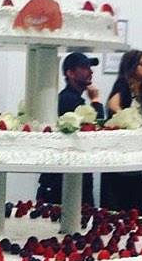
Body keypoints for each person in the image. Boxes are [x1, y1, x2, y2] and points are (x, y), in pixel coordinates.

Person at [37, 52, 104, 206]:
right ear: (70, 73)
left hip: (67, 175)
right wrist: (95, 101)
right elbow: (96, 127)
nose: (90, 71)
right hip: (64, 178)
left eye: (90, 67)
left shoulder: (69, 98)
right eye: (84, 67)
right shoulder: (69, 100)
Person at [102, 50, 142, 212]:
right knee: (117, 206)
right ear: (131, 66)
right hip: (119, 154)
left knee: (135, 205)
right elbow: (113, 105)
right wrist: (128, 120)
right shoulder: (123, 84)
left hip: (136, 155)